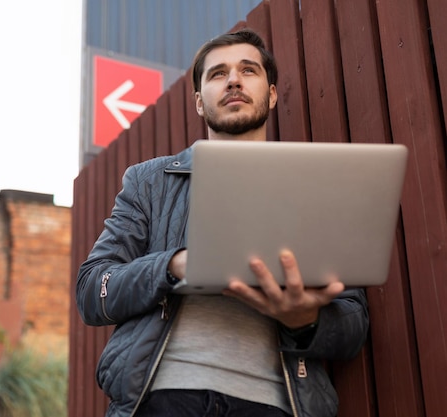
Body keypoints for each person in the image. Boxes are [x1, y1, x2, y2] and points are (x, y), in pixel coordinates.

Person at [76, 29, 369, 417]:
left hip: (276, 406)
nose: (233, 79)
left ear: (273, 93)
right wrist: (175, 265)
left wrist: (305, 320)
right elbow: (93, 288)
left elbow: (353, 324)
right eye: (217, 74)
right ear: (199, 102)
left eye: (248, 70)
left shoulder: (315, 187)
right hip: (162, 398)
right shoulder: (150, 181)